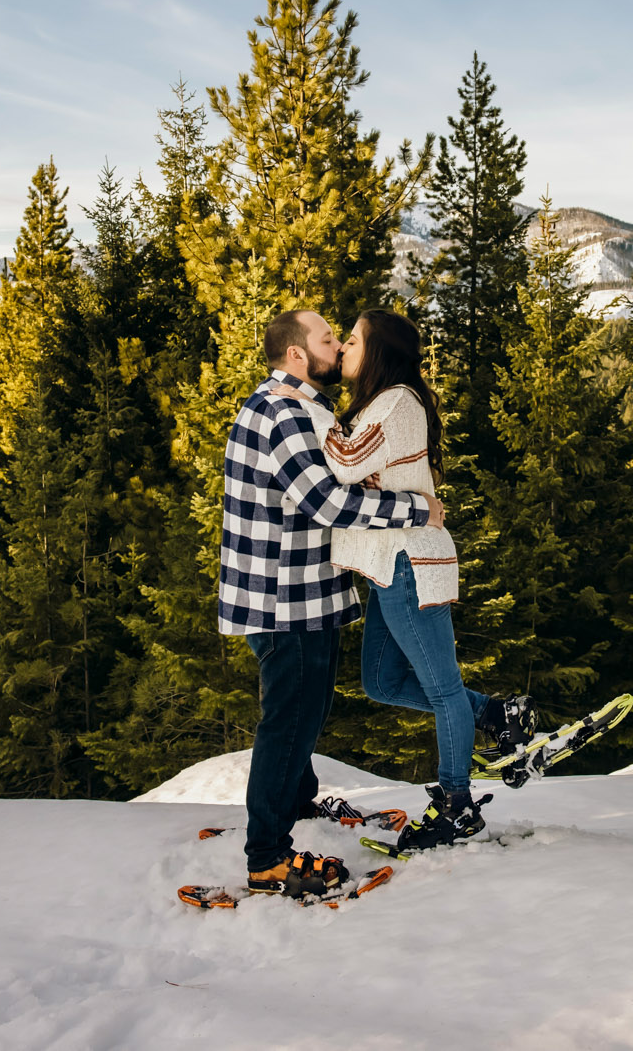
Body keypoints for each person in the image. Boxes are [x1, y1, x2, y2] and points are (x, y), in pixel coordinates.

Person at [274, 309, 539, 853]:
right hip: (388, 566)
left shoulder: (397, 400)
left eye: (352, 339)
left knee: (442, 690)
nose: (343, 347)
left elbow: (345, 464)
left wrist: (309, 406)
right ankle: (494, 712)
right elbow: (359, 464)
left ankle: (456, 807)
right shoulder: (382, 403)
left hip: (409, 563)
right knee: (382, 681)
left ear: (380, 351)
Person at [220, 309, 446, 899]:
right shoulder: (284, 412)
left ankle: (296, 807)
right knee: (289, 719)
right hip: (282, 597)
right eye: (327, 339)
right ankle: (267, 858)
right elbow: (328, 504)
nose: (338, 347)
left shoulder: (306, 408)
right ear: (297, 354)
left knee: (306, 713)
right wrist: (419, 510)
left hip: (305, 594)